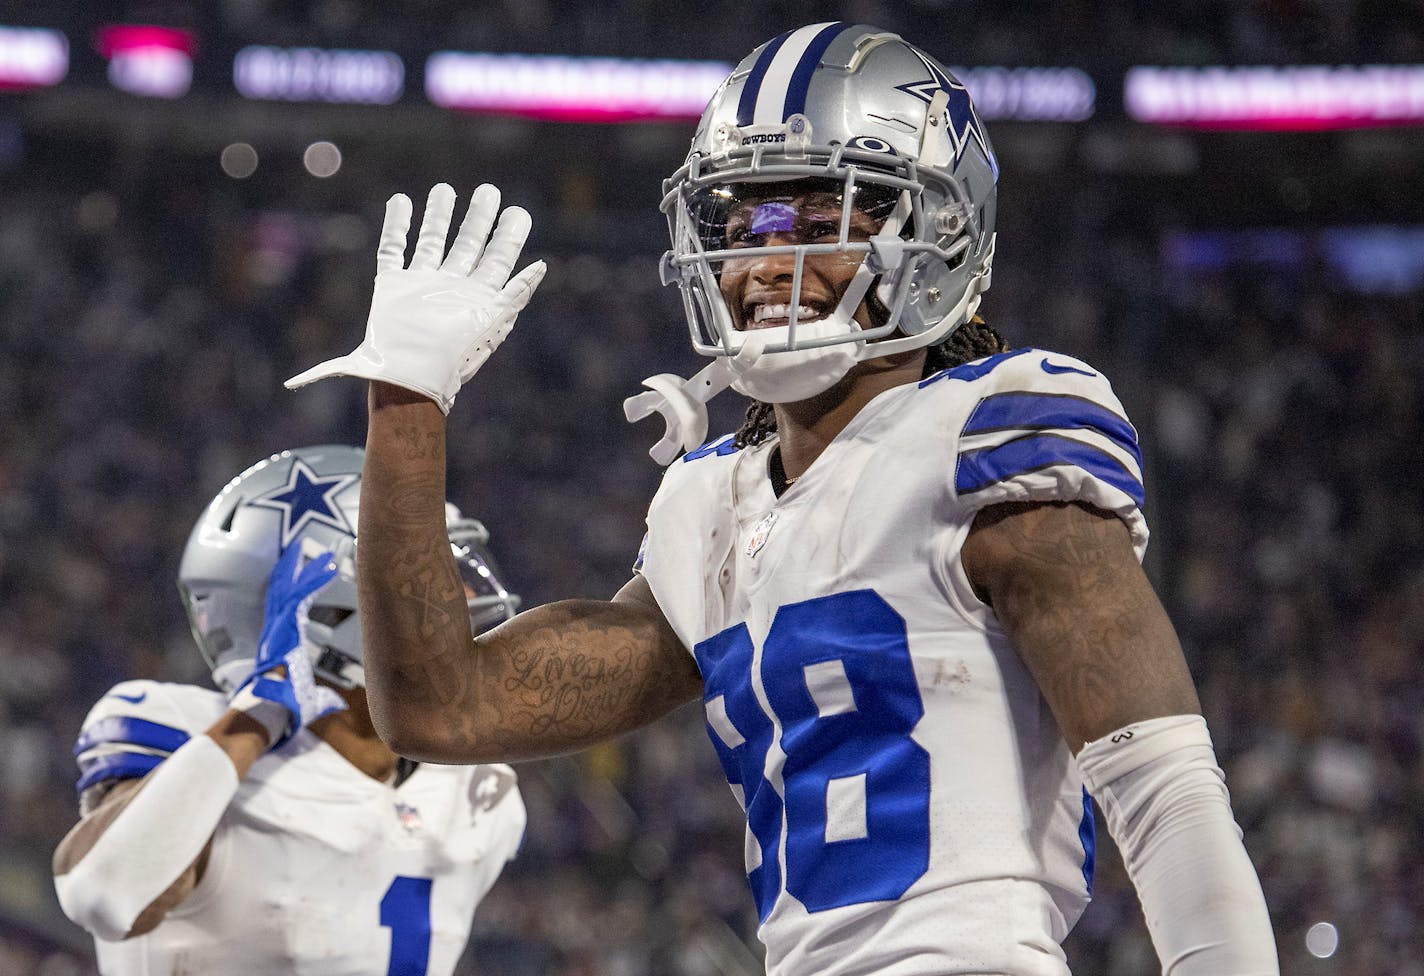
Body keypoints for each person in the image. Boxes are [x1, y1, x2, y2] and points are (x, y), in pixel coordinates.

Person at [285, 22, 1279, 976]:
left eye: (818, 219)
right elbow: (436, 707)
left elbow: (1165, 794)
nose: (766, 261)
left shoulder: (990, 435)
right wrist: (406, 405)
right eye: (741, 219)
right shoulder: (709, 510)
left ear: (938, 234)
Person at [51, 445, 526, 976]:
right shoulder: (183, 730)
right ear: (324, 602)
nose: (460, 596)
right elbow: (106, 896)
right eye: (428, 575)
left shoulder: (479, 792)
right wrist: (256, 716)